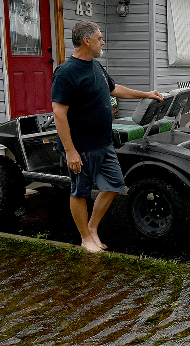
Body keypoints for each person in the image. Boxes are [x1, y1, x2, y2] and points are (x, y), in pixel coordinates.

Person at [52, 20, 163, 253]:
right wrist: (70, 150)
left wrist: (146, 94)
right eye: (100, 38)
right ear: (87, 40)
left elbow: (114, 89)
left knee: (114, 185)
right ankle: (85, 238)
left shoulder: (96, 66)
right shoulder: (66, 72)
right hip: (82, 147)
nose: (103, 41)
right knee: (79, 191)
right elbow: (59, 112)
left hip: (104, 142)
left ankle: (92, 228)